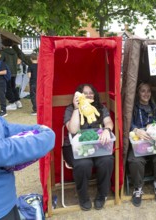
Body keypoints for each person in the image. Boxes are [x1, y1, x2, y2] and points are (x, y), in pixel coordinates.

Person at [0, 37, 55, 219]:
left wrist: (38, 128)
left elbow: (3, 127)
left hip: (3, 202)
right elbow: (0, 150)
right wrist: (46, 137)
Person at [62, 83, 114, 211]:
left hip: (98, 144)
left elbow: (108, 122)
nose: (89, 95)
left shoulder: (100, 108)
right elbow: (73, 129)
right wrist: (76, 108)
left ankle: (102, 195)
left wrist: (107, 130)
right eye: (85, 93)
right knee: (84, 164)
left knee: (107, 161)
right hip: (76, 147)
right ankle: (83, 197)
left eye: (91, 93)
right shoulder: (70, 109)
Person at [128, 81, 156, 207]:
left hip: (155, 144)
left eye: (148, 91)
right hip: (139, 145)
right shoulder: (132, 109)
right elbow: (127, 124)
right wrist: (136, 130)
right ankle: (138, 188)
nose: (146, 94)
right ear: (138, 93)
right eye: (143, 91)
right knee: (134, 160)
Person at [1, 39, 22, 110]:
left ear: (3, 44)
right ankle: (18, 101)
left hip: (7, 72)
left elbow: (1, 62)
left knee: (7, 88)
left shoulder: (3, 52)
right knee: (13, 87)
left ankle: (12, 103)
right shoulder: (15, 52)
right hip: (14, 71)